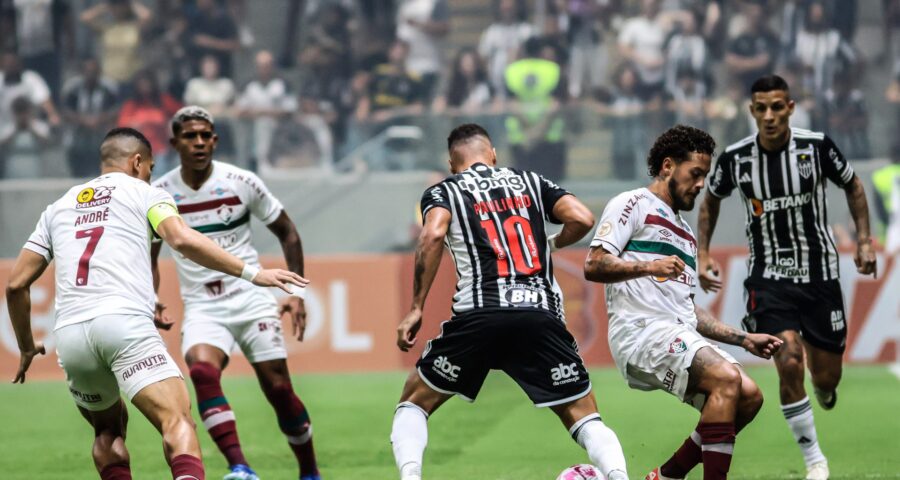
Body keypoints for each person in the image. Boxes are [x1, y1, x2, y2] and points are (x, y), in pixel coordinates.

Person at [7, 127, 307, 480]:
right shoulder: (147, 192)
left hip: (70, 335)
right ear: (137, 162)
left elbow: (15, 285)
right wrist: (252, 273)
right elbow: (180, 238)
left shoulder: (58, 207)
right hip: (123, 324)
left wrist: (26, 346)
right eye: (149, 167)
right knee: (177, 421)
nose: (150, 174)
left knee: (107, 432)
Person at [390, 123, 630, 480]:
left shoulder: (444, 191)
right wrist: (553, 243)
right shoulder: (530, 181)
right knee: (583, 414)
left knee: (414, 402)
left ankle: (411, 478)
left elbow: (434, 233)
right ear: (493, 154)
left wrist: (416, 307)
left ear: (452, 163)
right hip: (539, 314)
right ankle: (619, 477)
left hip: (480, 314)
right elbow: (582, 218)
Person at [697, 75, 877, 480]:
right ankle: (814, 459)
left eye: (777, 107)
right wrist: (703, 253)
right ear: (752, 111)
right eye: (761, 108)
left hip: (819, 275)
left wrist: (864, 241)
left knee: (827, 376)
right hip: (767, 277)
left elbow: (853, 185)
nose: (770, 116)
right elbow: (710, 199)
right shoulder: (737, 158)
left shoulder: (816, 148)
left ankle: (824, 389)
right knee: (789, 358)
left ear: (790, 108)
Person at [584, 124, 782, 480]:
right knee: (725, 379)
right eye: (695, 174)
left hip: (673, 329)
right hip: (639, 331)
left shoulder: (686, 235)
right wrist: (648, 265)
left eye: (705, 176)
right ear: (667, 167)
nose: (701, 184)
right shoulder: (633, 204)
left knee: (749, 396)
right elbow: (594, 263)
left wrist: (742, 339)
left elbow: (687, 310)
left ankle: (667, 475)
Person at [151, 107, 320, 480]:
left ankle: (309, 472)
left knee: (278, 388)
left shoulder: (241, 181)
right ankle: (240, 467)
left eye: (206, 135)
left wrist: (295, 291)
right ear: (175, 142)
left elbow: (288, 232)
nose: (199, 143)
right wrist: (152, 295)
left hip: (251, 296)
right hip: (202, 304)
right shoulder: (159, 193)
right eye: (191, 136)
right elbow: (149, 251)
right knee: (200, 370)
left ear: (215, 140)